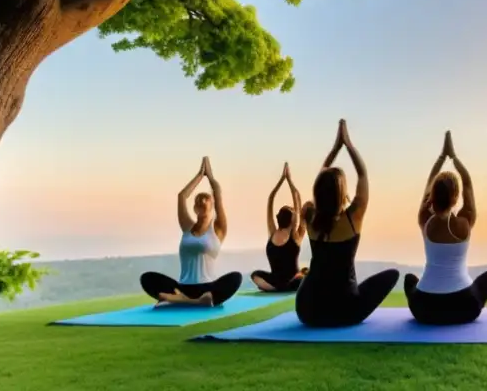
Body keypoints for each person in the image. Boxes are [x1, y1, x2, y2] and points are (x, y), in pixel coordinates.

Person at [295, 119, 399, 327]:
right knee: (392, 275)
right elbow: (362, 174)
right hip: (344, 311)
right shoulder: (353, 217)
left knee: (311, 273)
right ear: (343, 194)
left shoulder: (309, 215)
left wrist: (335, 148)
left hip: (308, 310)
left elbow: (321, 179)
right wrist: (348, 145)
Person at [404, 131, 487, 325]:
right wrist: (454, 157)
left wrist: (441, 158)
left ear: (432, 195)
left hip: (424, 309)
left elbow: (428, 188)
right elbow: (467, 184)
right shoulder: (466, 221)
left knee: (409, 280)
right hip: (464, 307)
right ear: (456, 198)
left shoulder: (425, 220)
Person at [140, 157, 243, 307]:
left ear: (212, 205)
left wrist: (210, 176)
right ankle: (191, 300)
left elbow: (218, 194)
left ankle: (180, 300)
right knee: (147, 278)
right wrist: (200, 175)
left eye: (205, 199)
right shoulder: (187, 227)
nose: (201, 200)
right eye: (198, 199)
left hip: (208, 287)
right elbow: (181, 196)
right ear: (194, 208)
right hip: (183, 287)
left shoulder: (218, 229)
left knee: (236, 278)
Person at [250, 162, 307, 293]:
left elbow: (276, 200)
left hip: (293, 279)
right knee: (255, 274)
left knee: (305, 273)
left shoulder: (293, 235)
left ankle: (274, 288)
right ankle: (281, 287)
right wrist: (286, 180)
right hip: (278, 280)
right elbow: (272, 200)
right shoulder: (276, 232)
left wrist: (285, 180)